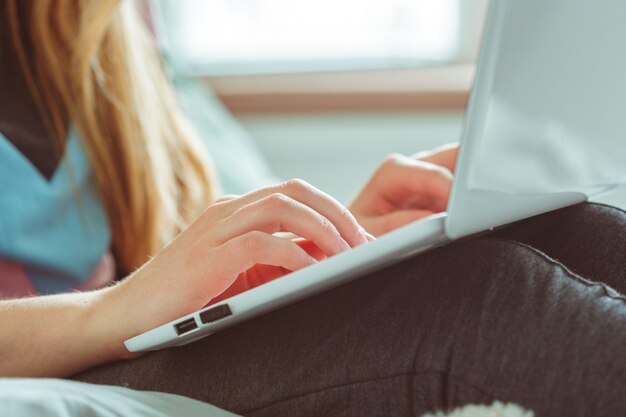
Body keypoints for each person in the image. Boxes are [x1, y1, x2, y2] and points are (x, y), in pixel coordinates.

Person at [1, 1, 625, 416]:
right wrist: (110, 312)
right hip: (61, 357)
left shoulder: (91, 25)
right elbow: (129, 300)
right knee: (481, 299)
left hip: (127, 335)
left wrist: (322, 252)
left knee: (569, 232)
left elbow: (157, 255)